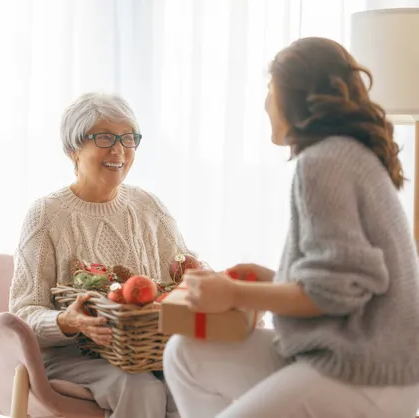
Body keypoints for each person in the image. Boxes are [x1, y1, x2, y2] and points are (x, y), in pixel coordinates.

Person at [163, 37, 419, 418]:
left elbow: (336, 292)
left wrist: (234, 293)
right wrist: (269, 279)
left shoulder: (323, 162)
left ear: (296, 97)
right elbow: (341, 276)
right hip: (361, 355)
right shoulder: (346, 153)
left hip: (367, 371)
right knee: (184, 353)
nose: (266, 103)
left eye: (270, 89)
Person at [9, 92, 191, 418]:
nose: (119, 149)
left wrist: (207, 282)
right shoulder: (46, 214)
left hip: (143, 352)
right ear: (73, 150)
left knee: (191, 378)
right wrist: (65, 321)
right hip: (71, 356)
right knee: (142, 388)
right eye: (105, 137)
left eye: (128, 138)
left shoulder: (150, 206)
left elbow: (183, 269)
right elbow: (23, 312)